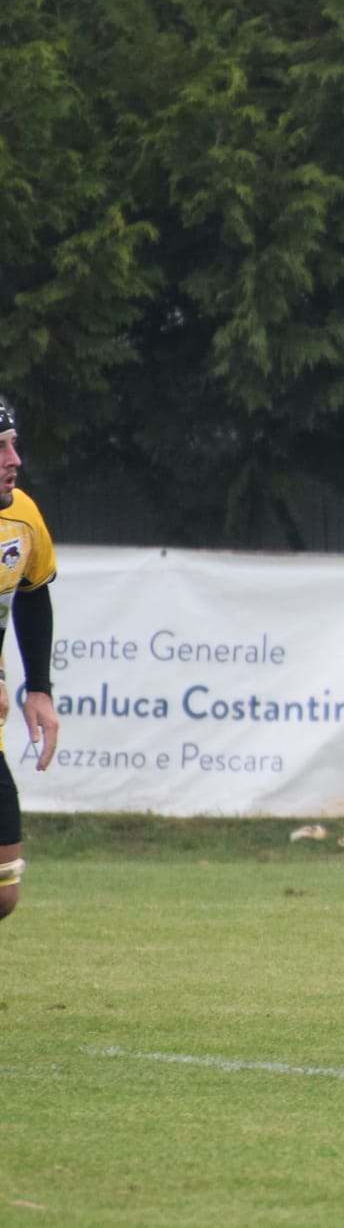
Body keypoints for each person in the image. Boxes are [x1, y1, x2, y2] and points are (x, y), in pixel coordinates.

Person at [0, 395, 59, 926]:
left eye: (12, 444)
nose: (13, 459)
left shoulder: (22, 517)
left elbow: (34, 592)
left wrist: (37, 687)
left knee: (3, 894)